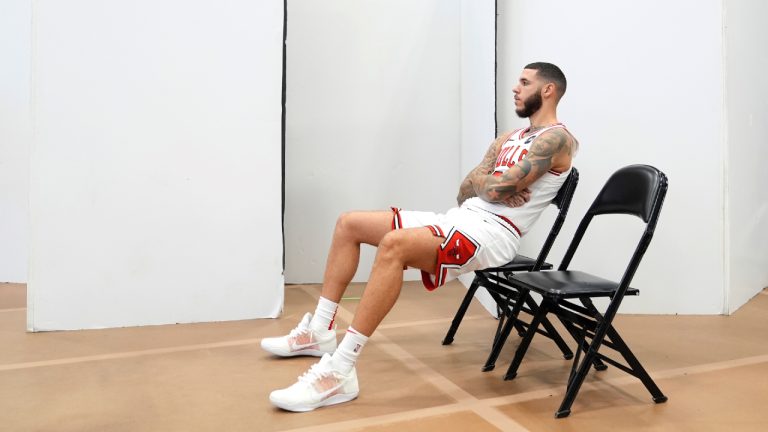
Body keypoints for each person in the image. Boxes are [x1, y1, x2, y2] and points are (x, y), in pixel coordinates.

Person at [262, 62, 578, 412]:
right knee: (349, 224)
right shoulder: (509, 138)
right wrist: (491, 185)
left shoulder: (558, 139)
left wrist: (492, 184)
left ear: (548, 90)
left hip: (492, 234)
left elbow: (494, 188)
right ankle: (320, 332)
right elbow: (466, 190)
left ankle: (340, 370)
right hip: (462, 217)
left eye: (524, 82)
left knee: (393, 245)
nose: (516, 88)